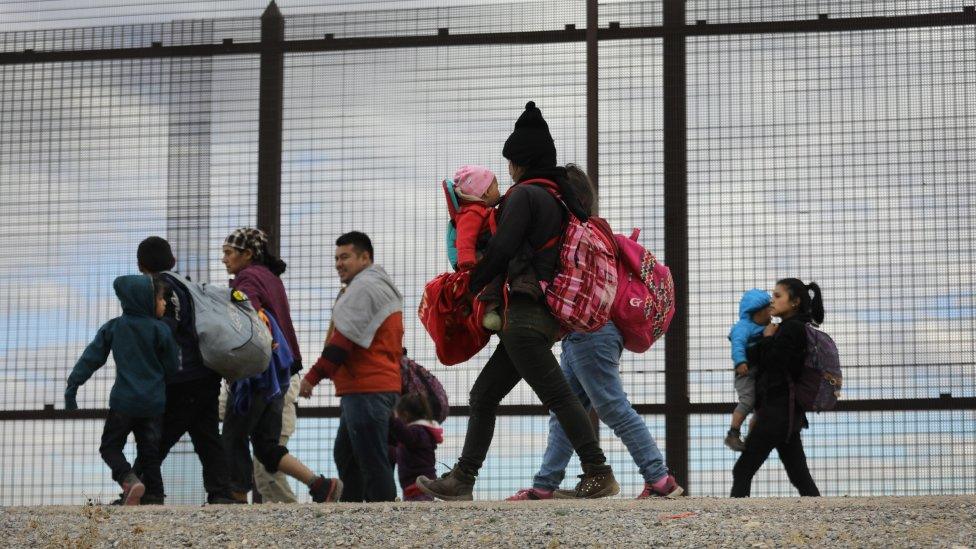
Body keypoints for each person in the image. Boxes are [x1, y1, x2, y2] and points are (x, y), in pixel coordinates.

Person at [416, 101, 618, 501]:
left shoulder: (525, 195)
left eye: (509, 162)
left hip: (526, 317)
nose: (506, 171)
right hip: (536, 316)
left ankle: (598, 472)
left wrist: (473, 283)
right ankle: (462, 480)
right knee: (485, 394)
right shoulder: (558, 199)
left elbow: (505, 248)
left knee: (558, 395)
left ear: (520, 162)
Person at [506, 164, 682, 501]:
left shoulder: (577, 235)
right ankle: (545, 485)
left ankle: (660, 479)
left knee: (612, 406)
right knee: (565, 413)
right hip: (586, 335)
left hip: (592, 332)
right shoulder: (595, 233)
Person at [220, 227, 342, 504]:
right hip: (283, 372)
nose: (224, 259)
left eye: (228, 253)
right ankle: (322, 485)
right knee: (266, 446)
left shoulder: (247, 277)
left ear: (247, 254)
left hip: (259, 372)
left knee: (234, 433)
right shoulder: (271, 278)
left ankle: (234, 498)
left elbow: (248, 316)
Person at [300, 231, 404, 502]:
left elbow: (341, 342)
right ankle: (353, 511)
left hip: (367, 388)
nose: (338, 263)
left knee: (371, 461)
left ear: (365, 257)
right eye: (336, 258)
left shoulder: (364, 288)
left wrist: (311, 377)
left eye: (345, 256)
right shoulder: (376, 286)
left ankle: (383, 519)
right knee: (348, 455)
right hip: (368, 387)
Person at [131, 236, 235, 505]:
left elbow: (166, 329)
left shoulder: (156, 287)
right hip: (206, 372)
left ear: (140, 265)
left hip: (180, 376)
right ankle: (221, 494)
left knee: (157, 435)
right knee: (207, 435)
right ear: (173, 261)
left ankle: (140, 489)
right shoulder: (190, 285)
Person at [64, 274, 179, 505]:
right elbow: (172, 367)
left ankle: (128, 479)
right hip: (153, 404)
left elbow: (91, 358)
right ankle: (154, 497)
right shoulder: (161, 330)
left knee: (110, 447)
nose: (164, 303)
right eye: (160, 299)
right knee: (150, 454)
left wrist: (73, 387)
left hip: (123, 404)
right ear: (145, 301)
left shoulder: (114, 327)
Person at [730, 278, 823, 498]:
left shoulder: (793, 329)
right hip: (784, 414)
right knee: (799, 475)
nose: (772, 300)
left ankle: (735, 523)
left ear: (795, 302)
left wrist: (768, 339)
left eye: (778, 296)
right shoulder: (785, 328)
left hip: (777, 413)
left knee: (743, 469)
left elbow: (776, 365)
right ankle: (820, 516)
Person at [445, 164, 504, 331]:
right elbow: (465, 238)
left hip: (482, 253)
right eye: (496, 187)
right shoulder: (472, 212)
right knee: (489, 281)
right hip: (475, 259)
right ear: (485, 192)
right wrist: (467, 262)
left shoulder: (481, 210)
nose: (498, 191)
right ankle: (487, 311)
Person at [724, 288, 772, 452]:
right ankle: (733, 433)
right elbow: (737, 345)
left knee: (761, 405)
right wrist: (740, 362)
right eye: (769, 309)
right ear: (758, 311)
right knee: (747, 401)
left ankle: (753, 438)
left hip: (757, 373)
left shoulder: (762, 326)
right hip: (745, 372)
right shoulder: (742, 327)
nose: (772, 312)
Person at [389, 393, 444, 502]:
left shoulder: (418, 431)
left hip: (418, 485)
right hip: (416, 484)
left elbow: (405, 436)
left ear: (405, 415)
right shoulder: (421, 432)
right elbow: (405, 453)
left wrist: (393, 420)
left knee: (419, 509)